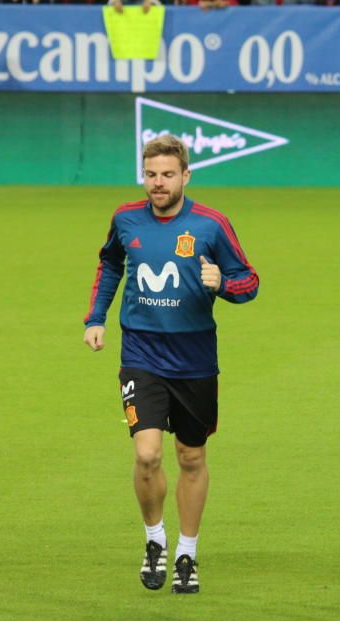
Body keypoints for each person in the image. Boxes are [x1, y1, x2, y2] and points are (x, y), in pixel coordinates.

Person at [82, 134, 259, 594]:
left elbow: (250, 282)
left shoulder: (211, 225)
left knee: (192, 456)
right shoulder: (124, 219)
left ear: (185, 175)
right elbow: (111, 266)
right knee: (147, 454)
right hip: (141, 355)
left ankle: (187, 552)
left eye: (166, 175)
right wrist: (96, 317)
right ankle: (155, 539)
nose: (157, 183)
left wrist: (223, 282)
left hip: (196, 359)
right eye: (151, 175)